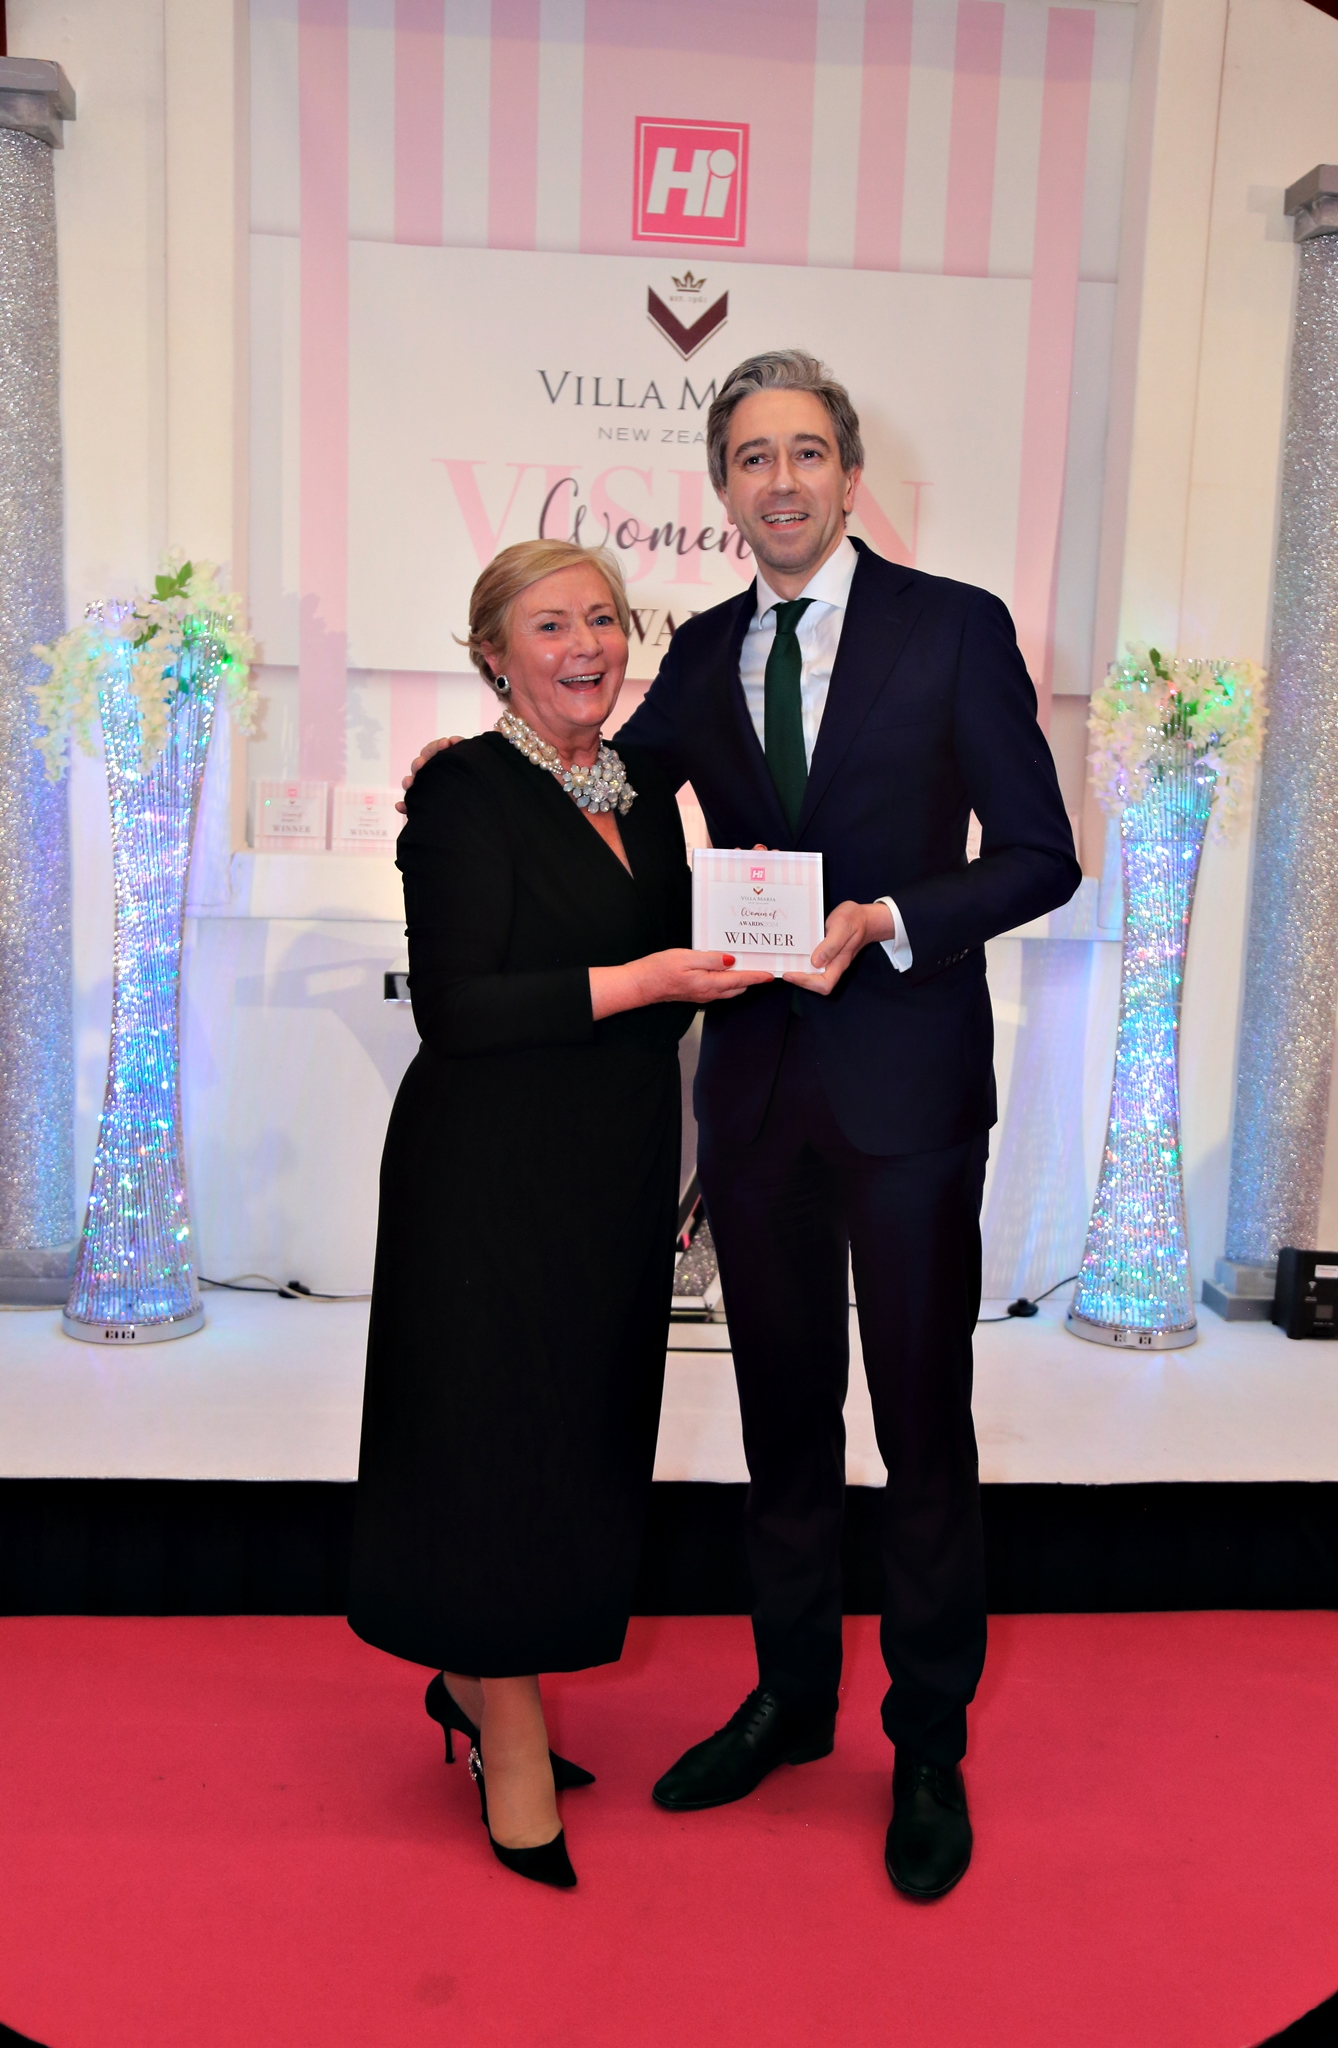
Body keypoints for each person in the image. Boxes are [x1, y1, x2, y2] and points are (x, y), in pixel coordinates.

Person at [405, 351, 1080, 1900]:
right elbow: (601, 769)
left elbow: (1039, 854)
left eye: (805, 452)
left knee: (920, 1428)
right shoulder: (703, 651)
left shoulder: (955, 627)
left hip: (907, 1091)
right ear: (721, 488)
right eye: (751, 458)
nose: (779, 481)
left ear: (850, 474)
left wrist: (890, 920)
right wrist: (475, 761)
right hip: (757, 1096)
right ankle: (790, 1700)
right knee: (781, 1422)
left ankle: (925, 1739)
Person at [348, 539, 769, 1891]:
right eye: (549, 625)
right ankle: (508, 1722)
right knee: (492, 1439)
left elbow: (691, 943)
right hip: (486, 1174)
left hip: (614, 1164)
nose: (585, 644)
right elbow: (458, 1010)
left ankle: (475, 1682)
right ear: (492, 655)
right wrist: (646, 982)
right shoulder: (462, 791)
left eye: (601, 618)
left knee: (579, 1430)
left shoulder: (642, 792)